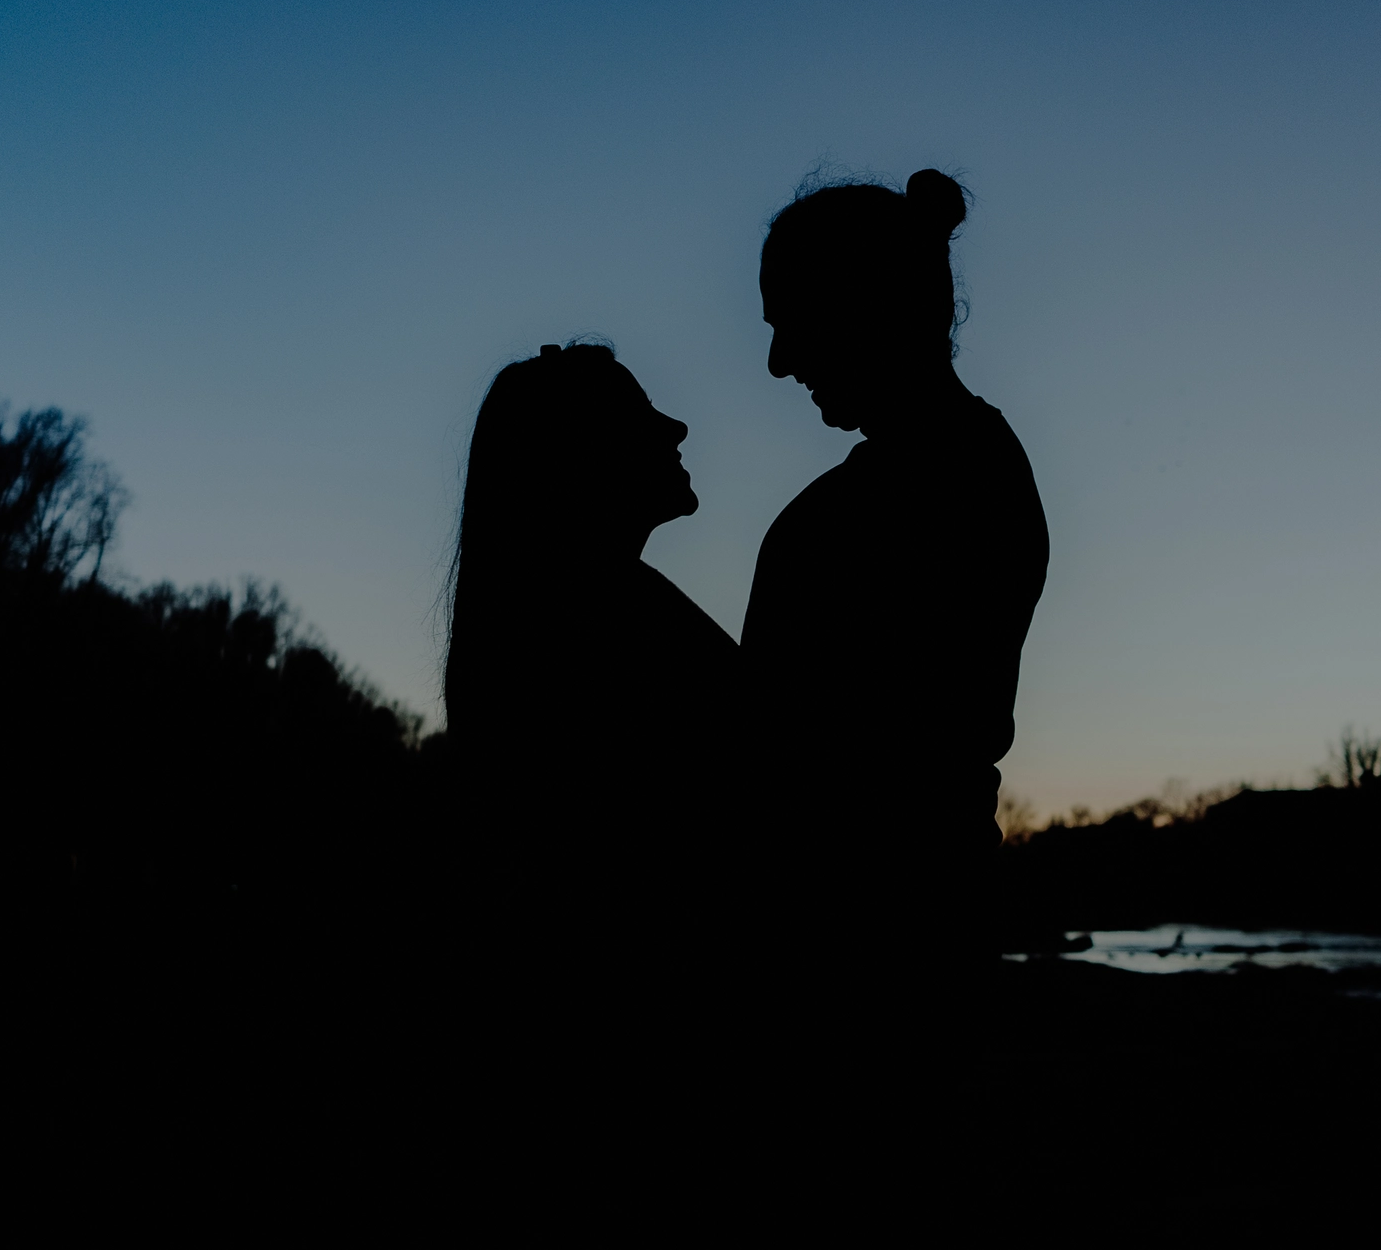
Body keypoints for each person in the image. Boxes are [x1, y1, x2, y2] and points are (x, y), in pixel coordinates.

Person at [742, 169, 1049, 1200]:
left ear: (866, 306)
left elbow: (788, 759)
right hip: (923, 927)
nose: (778, 361)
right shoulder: (976, 465)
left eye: (790, 323)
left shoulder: (877, 505)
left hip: (855, 953)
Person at [441, 341, 740, 1216]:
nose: (677, 425)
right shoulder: (603, 628)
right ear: (579, 458)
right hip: (638, 1093)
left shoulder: (563, 617)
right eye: (642, 414)